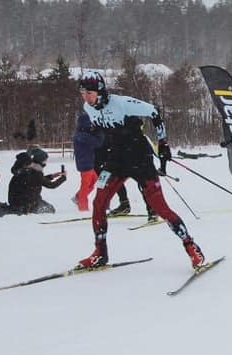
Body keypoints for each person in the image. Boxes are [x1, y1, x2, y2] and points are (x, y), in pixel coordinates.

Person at [76, 70, 205, 269]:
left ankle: (190, 245)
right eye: (83, 94)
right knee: (99, 202)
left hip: (139, 158)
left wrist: (163, 143)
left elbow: (154, 112)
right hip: (117, 159)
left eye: (89, 94)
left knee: (160, 207)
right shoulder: (88, 108)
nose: (86, 98)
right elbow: (103, 129)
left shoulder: (122, 103)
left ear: (100, 92)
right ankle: (100, 252)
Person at [8, 148, 67, 214]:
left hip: (16, 202)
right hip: (27, 205)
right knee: (51, 209)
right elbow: (51, 185)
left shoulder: (23, 170)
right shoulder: (35, 172)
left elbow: (34, 181)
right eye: (45, 160)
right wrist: (63, 177)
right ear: (41, 161)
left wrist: (51, 176)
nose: (46, 162)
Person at [72, 112, 103, 213]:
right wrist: (99, 132)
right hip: (85, 164)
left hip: (88, 163)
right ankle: (83, 207)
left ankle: (78, 197)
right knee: (85, 186)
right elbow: (97, 143)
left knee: (93, 182)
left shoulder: (82, 134)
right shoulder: (83, 136)